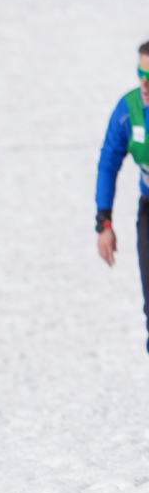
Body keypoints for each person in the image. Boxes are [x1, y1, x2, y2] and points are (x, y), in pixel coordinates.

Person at [94, 41, 149, 352]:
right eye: (140, 73)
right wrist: (104, 222)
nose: (144, 84)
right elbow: (108, 163)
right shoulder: (128, 111)